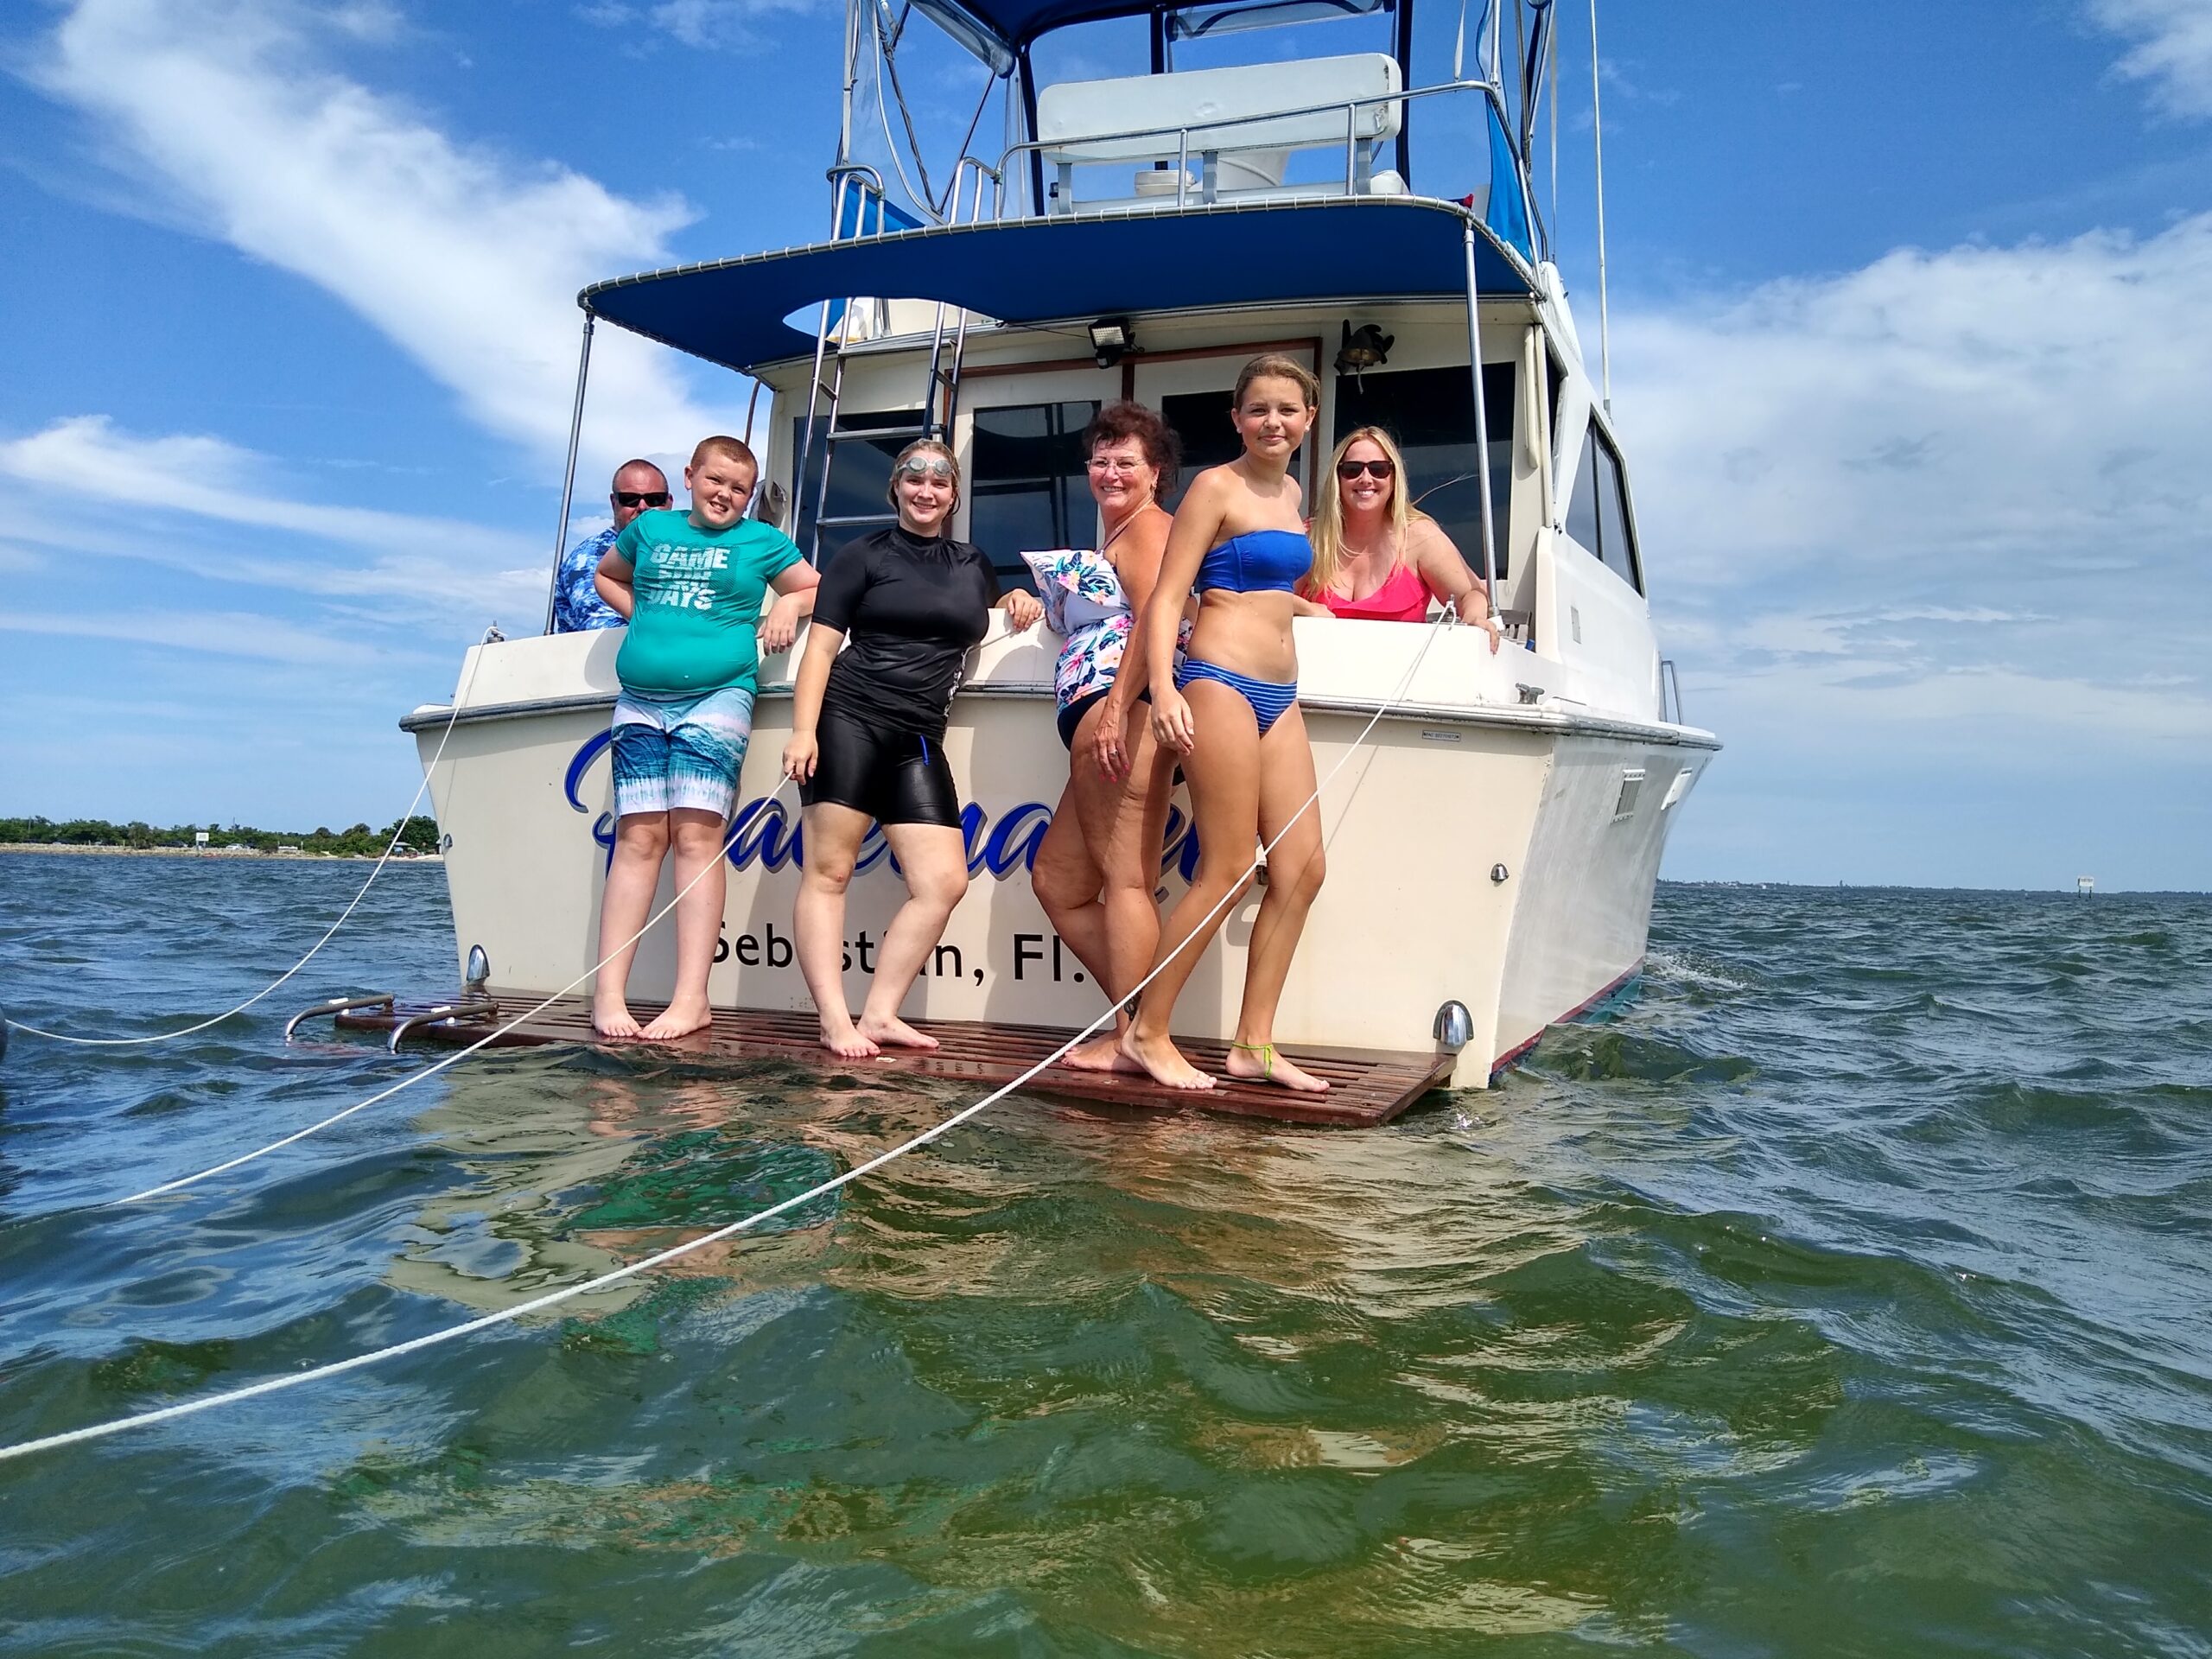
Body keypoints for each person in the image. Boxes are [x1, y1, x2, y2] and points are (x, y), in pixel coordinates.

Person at [1109, 353, 1331, 1094]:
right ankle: (1147, 1031)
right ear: (1237, 420)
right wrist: (1165, 689)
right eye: (1259, 409)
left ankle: (1253, 1046)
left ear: (1308, 419)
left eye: (1287, 410)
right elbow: (1169, 597)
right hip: (1218, 683)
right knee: (1229, 866)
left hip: (1281, 692)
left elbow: (1262, 581)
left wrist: (1305, 606)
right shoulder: (1214, 486)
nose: (1274, 421)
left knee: (1302, 868)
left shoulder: (1293, 491)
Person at [781, 440, 1045, 1058]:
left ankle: (878, 1014)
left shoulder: (972, 561)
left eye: (941, 481)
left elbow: (985, 609)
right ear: (896, 487)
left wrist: (1013, 599)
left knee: (943, 881)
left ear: (954, 495)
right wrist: (802, 729)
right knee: (830, 872)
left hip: (920, 737)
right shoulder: (861, 555)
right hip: (850, 717)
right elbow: (820, 649)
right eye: (915, 477)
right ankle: (832, 1019)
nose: (927, 489)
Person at [588, 436, 820, 1040]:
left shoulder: (761, 541)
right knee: (637, 838)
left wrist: (787, 606)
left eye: (740, 489)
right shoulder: (650, 532)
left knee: (696, 836)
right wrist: (637, 614)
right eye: (716, 481)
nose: (726, 495)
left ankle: (692, 999)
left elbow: (814, 586)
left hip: (717, 699)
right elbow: (606, 577)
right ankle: (608, 996)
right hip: (639, 702)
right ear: (690, 476)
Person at [1023, 403, 1182, 1072]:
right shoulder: (1120, 536)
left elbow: (1159, 618)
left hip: (1122, 710)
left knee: (1125, 881)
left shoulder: (1148, 530)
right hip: (1096, 712)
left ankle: (1139, 1038)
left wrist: (1119, 705)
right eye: (1101, 460)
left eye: (1127, 462)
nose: (1110, 472)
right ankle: (1136, 1026)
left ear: (1156, 474)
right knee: (1058, 881)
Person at [1295, 427, 1505, 650]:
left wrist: (1473, 617)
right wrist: (1307, 610)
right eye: (1352, 470)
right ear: (1337, 478)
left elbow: (1470, 593)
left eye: (1378, 469)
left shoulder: (1419, 536)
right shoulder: (1311, 536)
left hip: (1403, 679)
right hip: (1319, 676)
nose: (1366, 479)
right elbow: (1268, 596)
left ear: (1394, 478)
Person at [553, 460, 671, 632]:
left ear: (669, 502)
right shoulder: (590, 559)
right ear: (614, 502)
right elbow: (606, 629)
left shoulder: (682, 552)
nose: (643, 507)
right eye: (630, 500)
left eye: (654, 499)